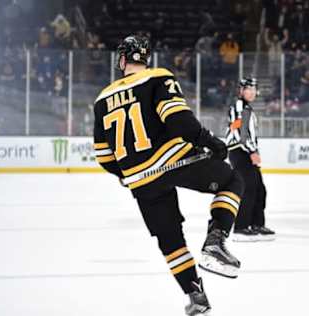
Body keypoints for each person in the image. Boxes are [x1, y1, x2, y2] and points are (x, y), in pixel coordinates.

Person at [93, 35, 244, 316]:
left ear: (123, 59)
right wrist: (210, 141)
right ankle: (216, 240)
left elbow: (104, 157)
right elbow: (178, 119)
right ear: (145, 58)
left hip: (140, 178)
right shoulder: (157, 77)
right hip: (173, 159)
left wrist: (127, 173)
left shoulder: (102, 100)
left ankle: (195, 296)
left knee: (170, 240)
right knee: (232, 180)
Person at [225, 78, 275, 242]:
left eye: (254, 89)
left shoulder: (246, 108)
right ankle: (241, 226)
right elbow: (241, 133)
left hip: (245, 151)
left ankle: (256, 224)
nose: (252, 92)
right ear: (241, 91)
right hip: (240, 152)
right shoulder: (240, 107)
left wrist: (253, 150)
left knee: (259, 188)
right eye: (249, 89)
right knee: (248, 188)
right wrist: (252, 151)